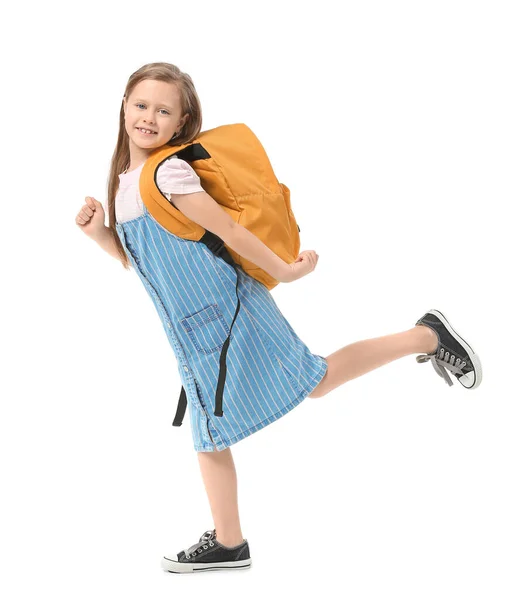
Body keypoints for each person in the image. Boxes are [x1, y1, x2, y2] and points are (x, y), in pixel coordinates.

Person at [75, 61, 482, 574]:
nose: (149, 117)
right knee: (291, 392)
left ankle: (230, 543)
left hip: (228, 311)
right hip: (197, 327)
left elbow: (226, 230)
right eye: (140, 105)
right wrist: (101, 237)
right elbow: (150, 265)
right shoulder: (124, 182)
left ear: (181, 123)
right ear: (123, 107)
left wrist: (284, 272)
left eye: (163, 110)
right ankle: (230, 541)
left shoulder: (168, 172)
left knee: (258, 404)